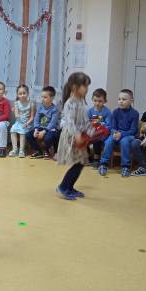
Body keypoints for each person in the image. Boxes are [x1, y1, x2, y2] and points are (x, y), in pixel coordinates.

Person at [56, 72, 92, 200]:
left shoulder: (81, 101)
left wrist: (91, 131)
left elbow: (85, 120)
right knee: (78, 163)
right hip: (72, 136)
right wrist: (77, 135)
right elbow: (70, 122)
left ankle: (69, 187)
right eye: (85, 86)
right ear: (75, 87)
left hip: (80, 136)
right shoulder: (70, 103)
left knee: (81, 163)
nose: (87, 89)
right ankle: (63, 187)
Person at [98, 89, 139, 177]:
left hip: (129, 135)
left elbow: (133, 130)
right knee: (109, 141)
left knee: (124, 142)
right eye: (119, 99)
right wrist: (114, 133)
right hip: (117, 134)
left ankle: (125, 166)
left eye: (124, 99)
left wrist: (121, 134)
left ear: (131, 101)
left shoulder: (135, 113)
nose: (121, 101)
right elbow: (113, 127)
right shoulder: (115, 112)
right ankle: (103, 164)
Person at [26, 86, 59, 158]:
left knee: (49, 138)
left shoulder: (54, 109)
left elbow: (52, 123)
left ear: (52, 98)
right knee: (28, 135)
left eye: (45, 97)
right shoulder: (40, 107)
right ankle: (38, 151)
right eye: (42, 97)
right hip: (40, 128)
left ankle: (45, 150)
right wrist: (36, 129)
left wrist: (44, 132)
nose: (42, 99)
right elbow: (36, 119)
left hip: (50, 129)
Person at [9, 84, 35, 158]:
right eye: (20, 94)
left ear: (27, 93)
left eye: (24, 93)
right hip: (18, 122)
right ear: (17, 95)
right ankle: (15, 149)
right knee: (12, 129)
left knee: (22, 131)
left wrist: (27, 123)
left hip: (27, 123)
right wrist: (15, 111)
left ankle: (21, 150)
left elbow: (32, 117)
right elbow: (16, 115)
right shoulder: (16, 103)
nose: (22, 95)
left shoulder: (31, 104)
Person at [87, 88, 111, 167]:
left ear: (105, 101)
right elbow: (87, 123)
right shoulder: (90, 111)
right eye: (95, 100)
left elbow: (108, 125)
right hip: (92, 131)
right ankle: (88, 156)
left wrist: (99, 126)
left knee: (96, 139)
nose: (97, 103)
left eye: (100, 101)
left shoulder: (107, 112)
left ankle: (97, 159)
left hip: (102, 133)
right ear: (92, 99)